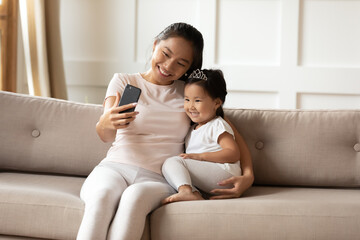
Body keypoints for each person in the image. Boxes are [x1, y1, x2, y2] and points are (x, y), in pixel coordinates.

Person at [77, 22, 254, 240]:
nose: (169, 66)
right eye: (165, 54)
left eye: (180, 63)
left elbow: (229, 132)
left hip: (160, 178)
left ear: (188, 68)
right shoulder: (124, 81)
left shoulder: (189, 92)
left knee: (134, 198)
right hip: (114, 168)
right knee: (102, 197)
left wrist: (248, 176)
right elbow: (105, 135)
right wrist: (107, 121)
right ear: (155, 45)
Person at [162, 69, 242, 203]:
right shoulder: (192, 129)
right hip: (212, 176)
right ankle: (194, 193)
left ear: (216, 103)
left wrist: (200, 157)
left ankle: (186, 192)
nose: (190, 106)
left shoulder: (217, 125)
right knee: (173, 172)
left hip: (225, 173)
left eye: (197, 100)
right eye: (187, 99)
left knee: (172, 162)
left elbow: (233, 153)